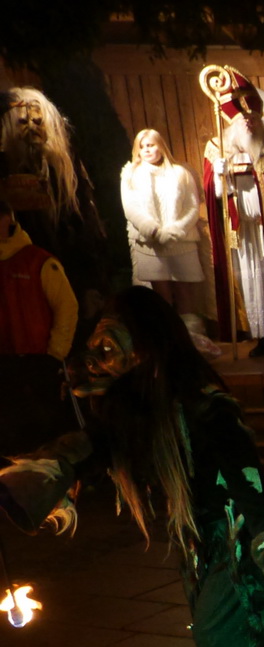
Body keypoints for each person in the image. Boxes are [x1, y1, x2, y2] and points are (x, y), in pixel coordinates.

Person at [0, 288, 264, 647]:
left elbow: (243, 468)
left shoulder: (203, 402)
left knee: (221, 623)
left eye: (110, 348)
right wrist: (44, 471)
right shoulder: (136, 405)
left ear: (146, 345)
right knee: (225, 619)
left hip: (236, 527)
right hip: (199, 531)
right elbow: (98, 446)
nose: (98, 360)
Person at [201, 68, 264, 356]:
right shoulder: (218, 152)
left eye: (252, 117)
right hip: (244, 230)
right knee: (251, 280)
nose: (247, 123)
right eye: (241, 118)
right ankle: (263, 338)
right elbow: (216, 197)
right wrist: (221, 176)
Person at [1, 87, 108, 304]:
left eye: (38, 122)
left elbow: (82, 223)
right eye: (23, 123)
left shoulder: (63, 171)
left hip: (62, 269)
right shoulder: (5, 167)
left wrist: (91, 283)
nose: (31, 128)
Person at [0, 192, 79, 457]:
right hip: (4, 360)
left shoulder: (39, 262)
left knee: (44, 430)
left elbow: (66, 307)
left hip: (37, 359)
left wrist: (55, 353)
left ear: (8, 220)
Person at [119, 129, 205, 336]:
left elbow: (192, 207)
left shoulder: (180, 172)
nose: (147, 149)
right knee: (161, 297)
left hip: (181, 242)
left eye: (151, 144)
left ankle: (191, 338)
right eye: (143, 146)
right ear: (137, 150)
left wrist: (175, 230)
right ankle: (168, 338)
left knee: (185, 294)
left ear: (161, 146)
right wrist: (154, 231)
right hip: (150, 243)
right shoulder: (130, 174)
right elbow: (130, 207)